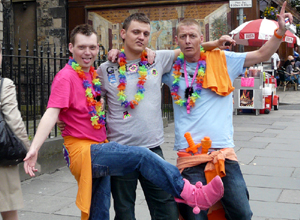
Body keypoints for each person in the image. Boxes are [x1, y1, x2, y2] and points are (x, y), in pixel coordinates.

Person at [23, 24, 225, 220]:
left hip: (99, 147)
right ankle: (191, 193)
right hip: (86, 152)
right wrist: (34, 148)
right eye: (81, 47)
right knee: (142, 156)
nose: (87, 52)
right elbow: (51, 111)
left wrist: (215, 42)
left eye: (92, 47)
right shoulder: (66, 76)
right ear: (70, 48)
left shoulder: (92, 73)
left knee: (99, 210)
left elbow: (83, 106)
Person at [95, 13, 233, 220]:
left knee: (166, 210)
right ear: (123, 34)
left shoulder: (158, 58)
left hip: (152, 149)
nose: (141, 37)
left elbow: (191, 47)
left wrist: (217, 43)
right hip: (121, 151)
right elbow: (93, 100)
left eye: (145, 33)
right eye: (135, 32)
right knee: (124, 212)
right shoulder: (105, 69)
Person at [162, 2, 292, 220]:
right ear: (176, 40)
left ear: (200, 38)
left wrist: (279, 32)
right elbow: (145, 58)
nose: (187, 41)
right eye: (182, 36)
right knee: (195, 216)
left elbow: (261, 54)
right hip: (190, 156)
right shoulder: (170, 67)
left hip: (223, 153)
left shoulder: (223, 60)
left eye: (192, 36)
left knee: (242, 212)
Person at [0, 44, 31, 220]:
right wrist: (28, 151)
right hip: (2, 156)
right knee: (8, 210)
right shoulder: (4, 85)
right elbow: (15, 122)